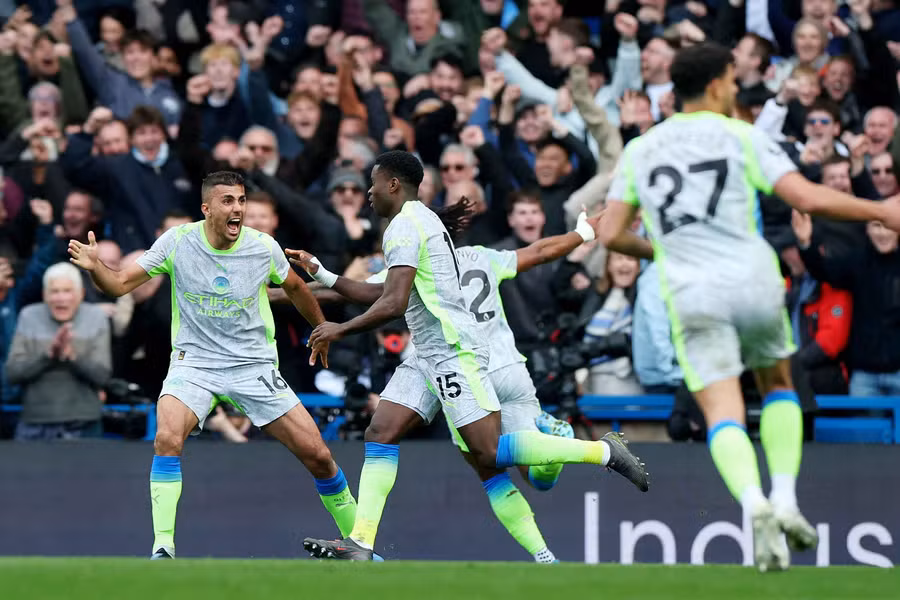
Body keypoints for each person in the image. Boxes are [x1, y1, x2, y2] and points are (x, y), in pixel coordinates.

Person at [596, 42, 900, 572]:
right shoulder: (742, 135)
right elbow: (806, 198)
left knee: (721, 410)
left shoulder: (641, 149)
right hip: (753, 278)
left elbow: (610, 233)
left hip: (691, 291)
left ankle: (753, 502)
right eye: (733, 80)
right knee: (778, 384)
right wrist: (881, 211)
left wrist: (666, 249)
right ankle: (784, 496)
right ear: (716, 83)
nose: (736, 88)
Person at [297, 150, 649, 561]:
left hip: (453, 353)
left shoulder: (405, 227)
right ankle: (361, 542)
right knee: (380, 431)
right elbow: (380, 292)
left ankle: (603, 452)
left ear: (393, 184)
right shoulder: (427, 227)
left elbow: (391, 303)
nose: (369, 192)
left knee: (490, 454)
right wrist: (321, 274)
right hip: (430, 356)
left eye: (373, 183)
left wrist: (338, 328)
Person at [66, 171, 359, 560]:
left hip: (253, 365)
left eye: (241, 200)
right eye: (228, 201)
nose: (238, 209)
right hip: (195, 364)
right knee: (167, 437)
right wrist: (96, 267)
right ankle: (163, 547)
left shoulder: (262, 246)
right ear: (206, 208)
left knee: (319, 456)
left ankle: (360, 544)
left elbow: (295, 287)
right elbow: (118, 284)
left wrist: (320, 328)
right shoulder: (178, 242)